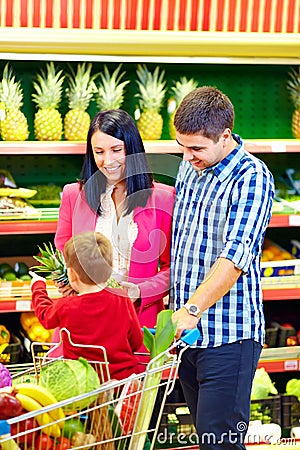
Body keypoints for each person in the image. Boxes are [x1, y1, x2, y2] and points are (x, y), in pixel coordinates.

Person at [170, 86, 274, 450]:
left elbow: (234, 259)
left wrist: (193, 309)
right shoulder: (190, 167)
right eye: (182, 146)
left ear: (225, 135)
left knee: (221, 443)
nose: (187, 156)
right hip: (187, 335)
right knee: (207, 440)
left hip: (229, 336)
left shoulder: (252, 178)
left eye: (197, 147)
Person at [54, 109, 175, 331]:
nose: (107, 161)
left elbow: (173, 267)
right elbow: (63, 256)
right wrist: (66, 282)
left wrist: (140, 291)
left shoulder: (164, 198)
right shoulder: (74, 195)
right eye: (99, 152)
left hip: (139, 324)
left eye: (116, 150)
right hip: (83, 323)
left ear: (133, 149)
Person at [30, 231, 144, 380]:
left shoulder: (67, 306)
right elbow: (136, 341)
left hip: (83, 383)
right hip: (122, 382)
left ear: (72, 274)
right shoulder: (121, 298)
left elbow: (45, 315)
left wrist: (38, 286)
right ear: (111, 268)